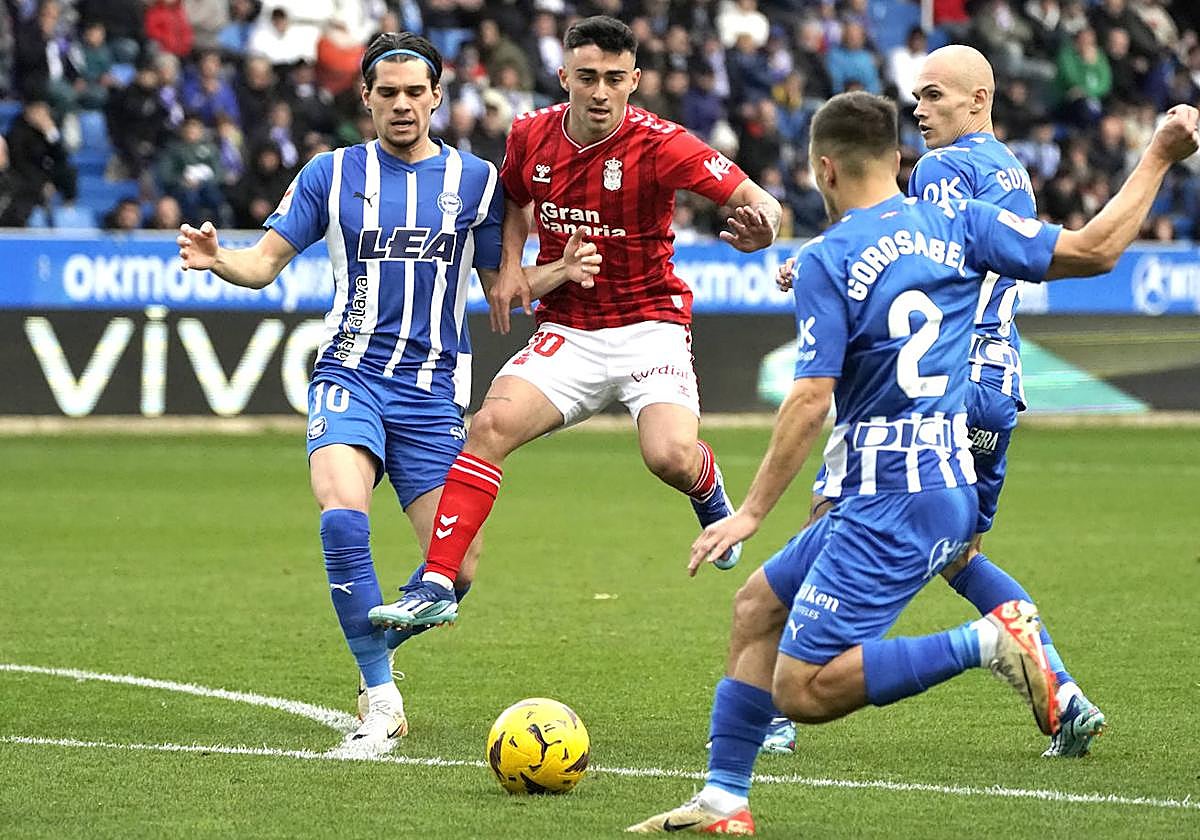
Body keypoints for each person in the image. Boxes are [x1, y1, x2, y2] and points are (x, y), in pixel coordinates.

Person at [626, 91, 1198, 833]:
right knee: (756, 609)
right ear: (900, 160)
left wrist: (750, 512)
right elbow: (1095, 249)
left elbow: (808, 401)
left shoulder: (828, 259)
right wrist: (1157, 155)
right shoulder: (960, 222)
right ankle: (724, 799)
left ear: (823, 170)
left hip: (888, 495)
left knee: (800, 690)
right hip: (938, 480)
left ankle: (990, 640)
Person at [175, 32, 599, 751]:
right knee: (342, 512)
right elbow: (263, 265)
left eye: (414, 92)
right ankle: (380, 699)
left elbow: (504, 286)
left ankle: (375, 644)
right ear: (365, 98)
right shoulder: (331, 176)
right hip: (350, 374)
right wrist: (220, 261)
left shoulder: (478, 182)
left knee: (458, 568)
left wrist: (558, 271)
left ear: (437, 97)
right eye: (387, 93)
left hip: (434, 393)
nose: (402, 105)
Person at [366, 16, 782, 638]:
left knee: (668, 455)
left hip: (649, 324)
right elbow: (510, 198)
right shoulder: (530, 134)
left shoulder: (663, 143)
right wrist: (509, 266)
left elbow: (759, 197)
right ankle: (436, 583)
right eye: (586, 77)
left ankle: (707, 487)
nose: (599, 92)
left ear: (634, 80)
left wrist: (765, 226)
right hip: (570, 329)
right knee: (489, 426)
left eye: (614, 79)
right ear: (564, 77)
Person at [800, 45, 1107, 759]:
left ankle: (789, 691)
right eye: (917, 98)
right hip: (1000, 390)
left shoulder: (939, 170)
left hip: (943, 384)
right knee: (961, 552)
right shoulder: (1013, 171)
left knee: (841, 508)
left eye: (934, 96)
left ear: (979, 99)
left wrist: (833, 264)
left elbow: (920, 256)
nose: (919, 110)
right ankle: (1062, 693)